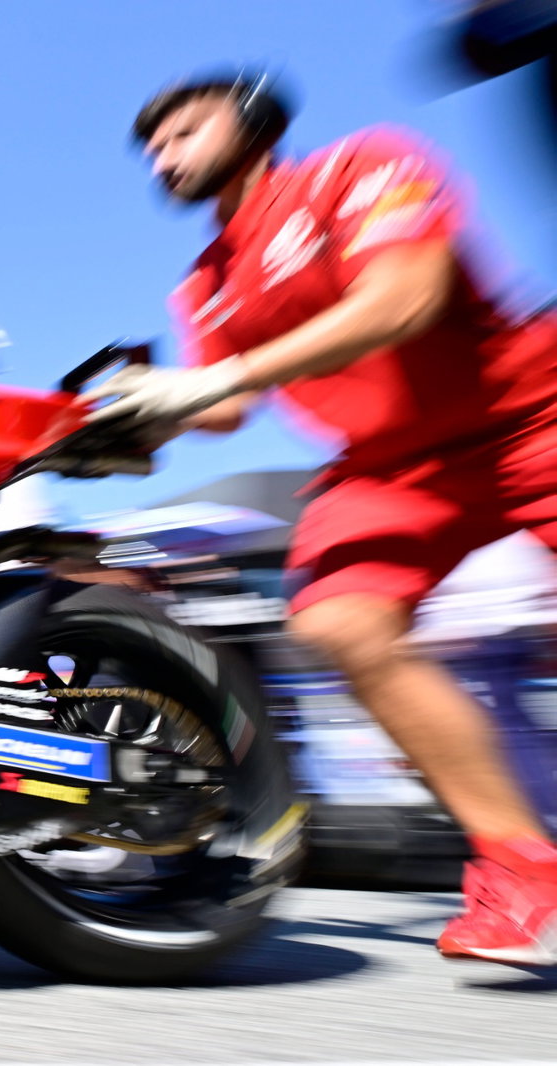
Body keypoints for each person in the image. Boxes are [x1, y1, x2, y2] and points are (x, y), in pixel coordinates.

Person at [87, 68, 557, 966]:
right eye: (152, 148)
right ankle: (522, 866)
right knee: (340, 622)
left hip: (531, 417)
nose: (164, 157)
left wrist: (214, 381)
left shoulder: (364, 166)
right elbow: (225, 408)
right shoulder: (204, 282)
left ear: (254, 120)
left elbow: (403, 301)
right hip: (391, 465)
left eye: (185, 131)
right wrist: (128, 418)